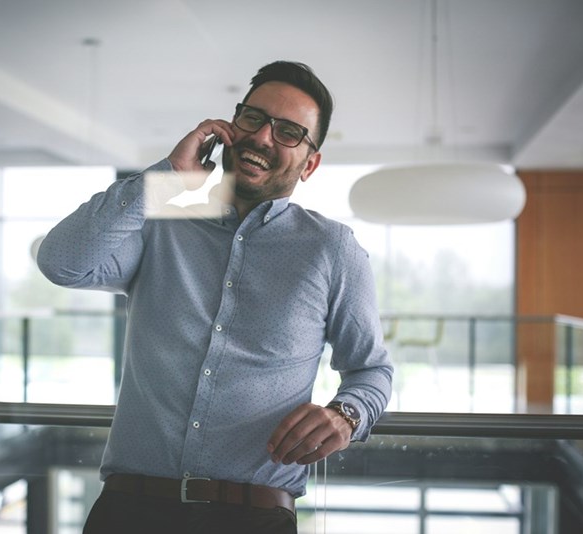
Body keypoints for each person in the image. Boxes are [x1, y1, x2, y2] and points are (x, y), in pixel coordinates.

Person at [37, 60, 393, 534]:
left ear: (310, 163)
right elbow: (61, 262)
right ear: (228, 126)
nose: (263, 137)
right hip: (128, 510)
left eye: (288, 131)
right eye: (253, 118)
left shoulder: (333, 249)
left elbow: (372, 369)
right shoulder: (162, 222)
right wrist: (167, 178)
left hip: (254, 517)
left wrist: (346, 415)